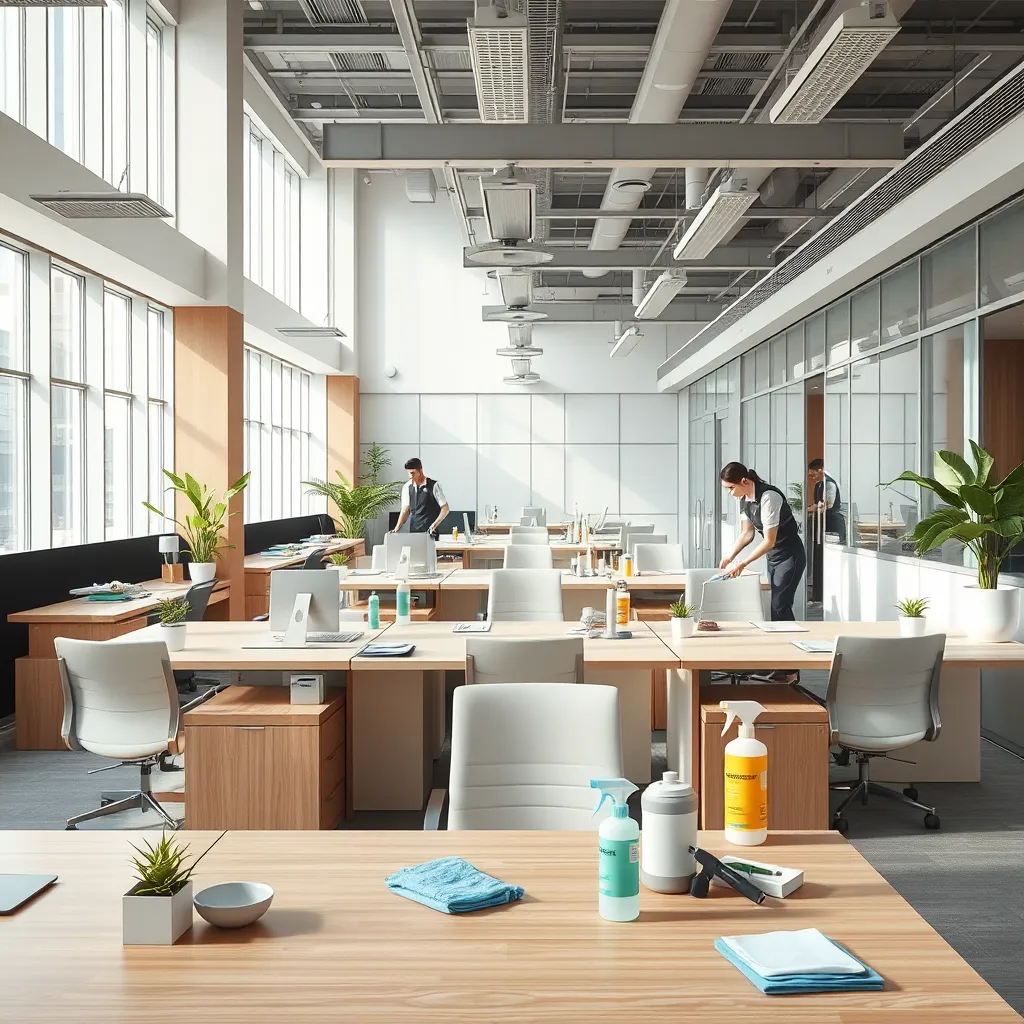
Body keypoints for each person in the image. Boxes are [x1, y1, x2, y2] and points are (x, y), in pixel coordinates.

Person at [718, 462, 807, 621]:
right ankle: (781, 641)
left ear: (744, 481)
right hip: (773, 557)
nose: (730, 493)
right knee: (777, 604)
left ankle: (787, 642)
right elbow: (746, 533)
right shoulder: (744, 500)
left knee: (780, 605)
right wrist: (729, 557)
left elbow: (769, 541)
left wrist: (743, 563)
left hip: (790, 555)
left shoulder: (768, 497)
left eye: (731, 488)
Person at [392, 458, 449, 539]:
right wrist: (397, 528)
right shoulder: (407, 487)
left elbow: (445, 509)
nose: (410, 476)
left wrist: (434, 525)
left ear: (420, 471)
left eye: (412, 473)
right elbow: (405, 510)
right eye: (408, 473)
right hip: (414, 532)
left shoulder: (434, 485)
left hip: (431, 532)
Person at [807, 459, 847, 545]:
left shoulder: (829, 484)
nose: (811, 477)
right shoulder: (819, 485)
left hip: (832, 522)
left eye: (813, 474)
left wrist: (814, 507)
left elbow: (828, 504)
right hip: (822, 522)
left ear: (820, 470)